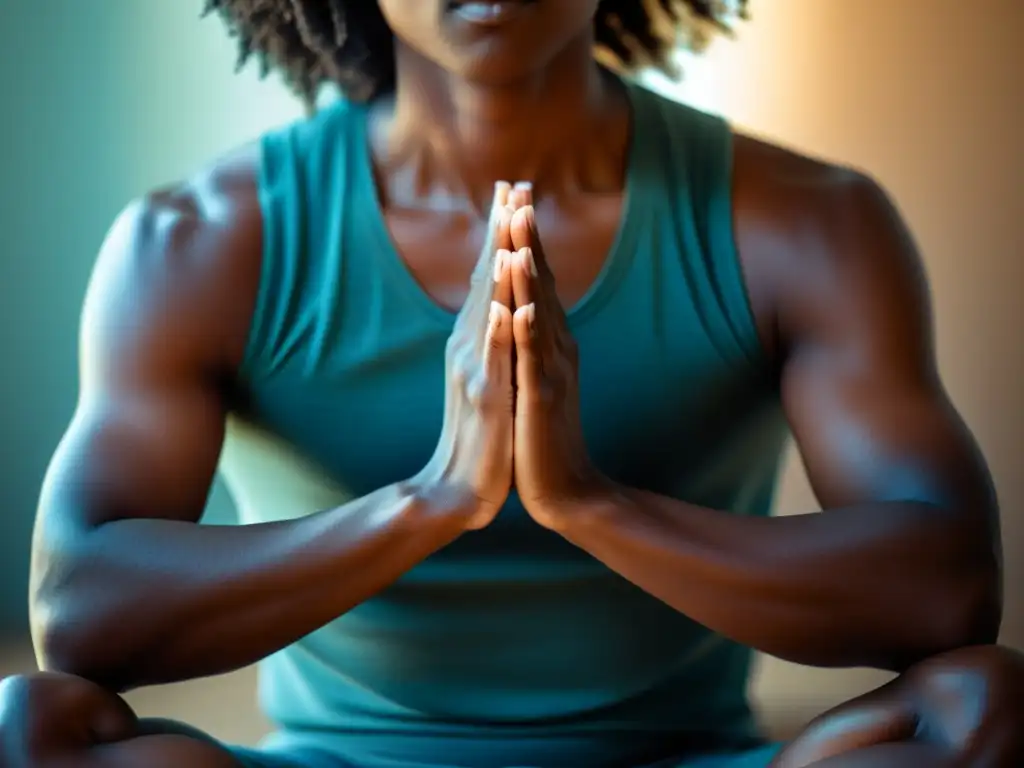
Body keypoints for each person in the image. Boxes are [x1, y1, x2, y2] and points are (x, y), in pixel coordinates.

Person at [1, 0, 1021, 766]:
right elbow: (83, 612)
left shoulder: (806, 222)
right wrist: (433, 502)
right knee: (34, 728)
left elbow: (946, 589)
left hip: (690, 757)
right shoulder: (196, 242)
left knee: (978, 705)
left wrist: (589, 504)